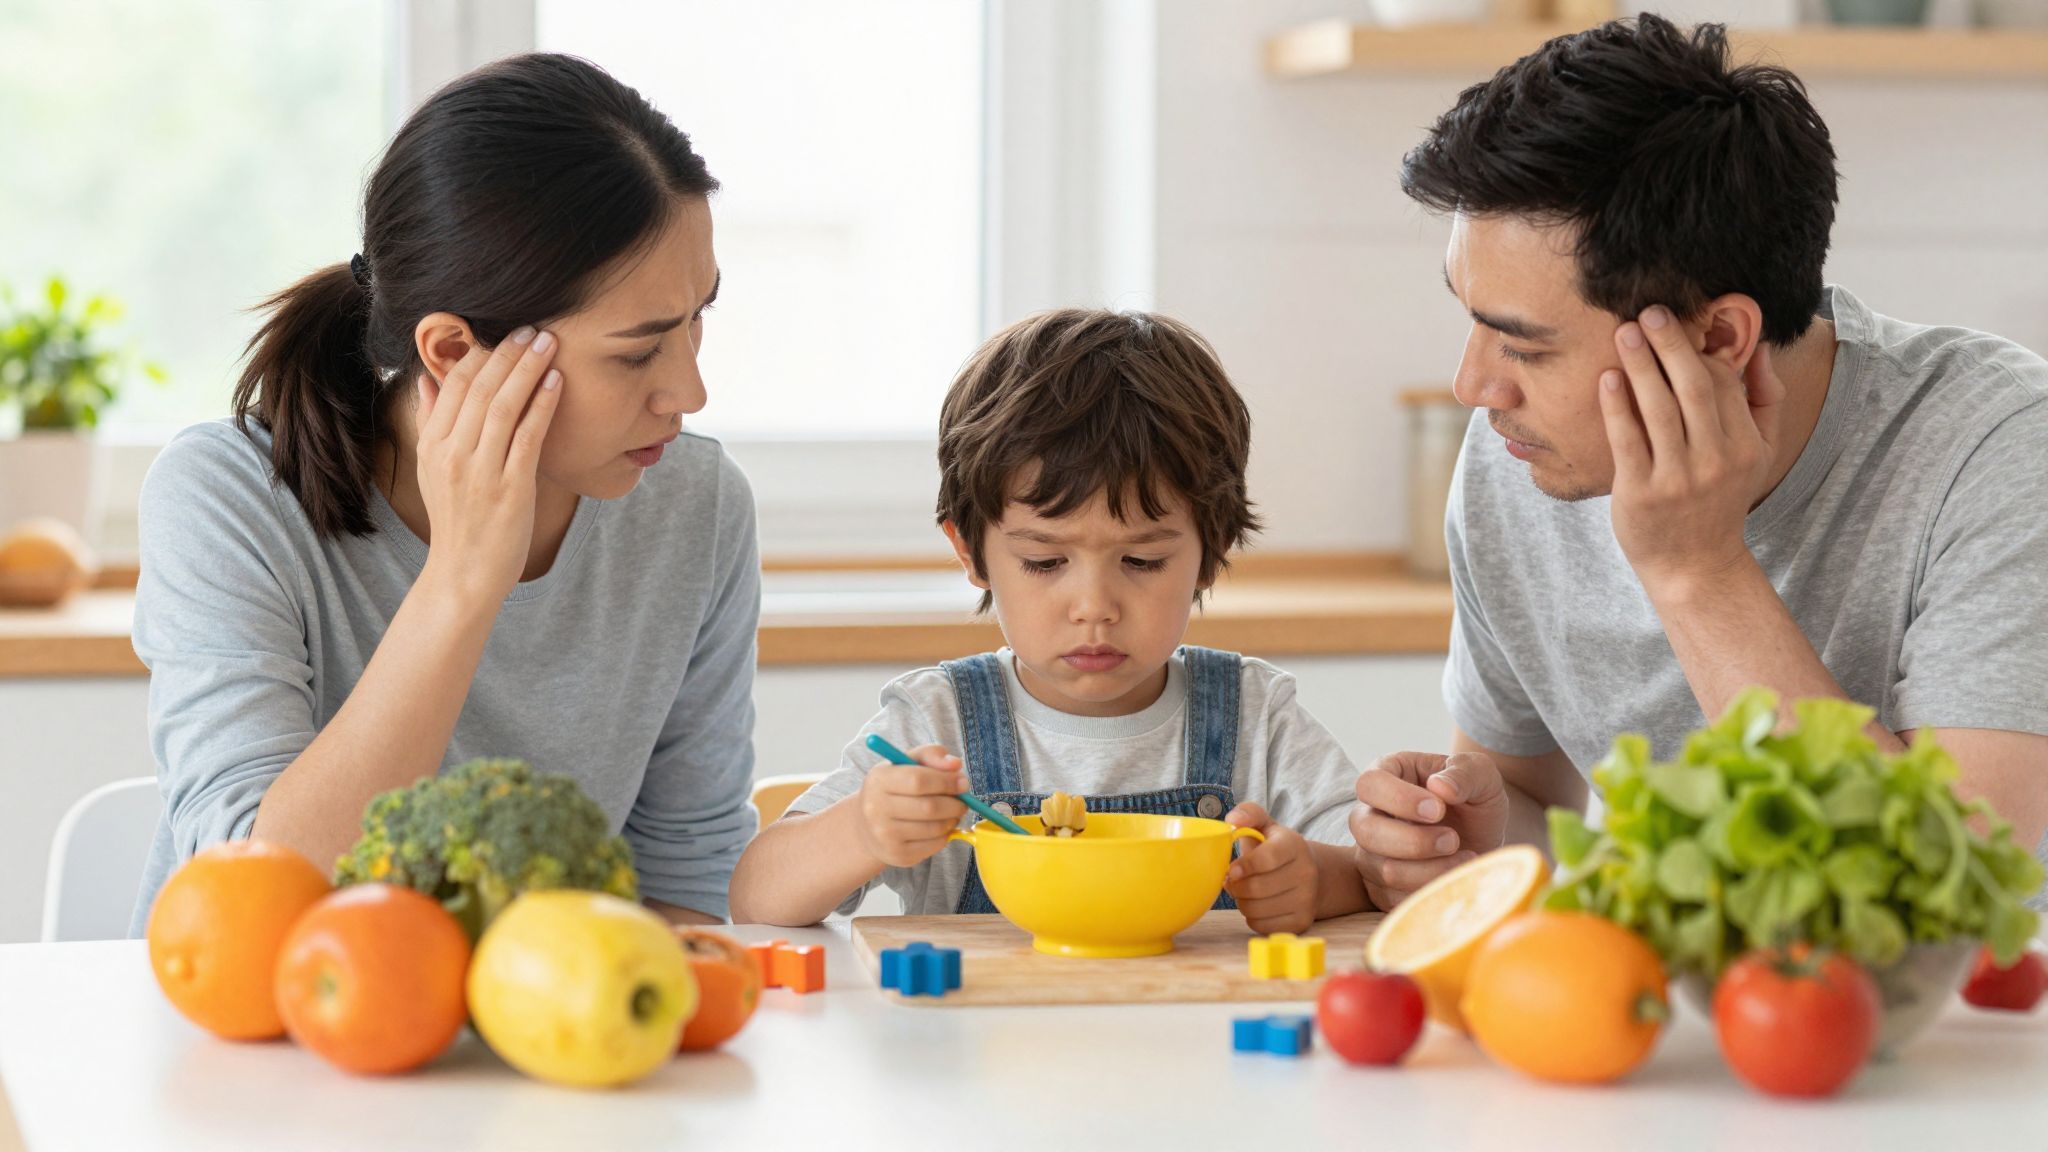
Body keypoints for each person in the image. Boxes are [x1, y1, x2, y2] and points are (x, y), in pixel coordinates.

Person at [1349, 15, 2048, 913]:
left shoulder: (2001, 452)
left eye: (1524, 347)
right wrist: (1478, 838)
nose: (1473, 385)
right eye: (1472, 322)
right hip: (1682, 1025)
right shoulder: (1524, 455)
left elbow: (1937, 888)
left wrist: (1698, 567)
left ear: (1717, 338)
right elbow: (1524, 790)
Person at [129, 53, 757, 932]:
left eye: (700, 319)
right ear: (456, 353)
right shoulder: (225, 500)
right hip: (257, 1042)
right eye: (638, 350)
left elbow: (690, 880)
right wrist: (464, 578)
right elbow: (262, 901)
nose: (689, 394)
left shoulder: (697, 506)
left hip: (538, 1039)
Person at [728, 309, 1371, 932]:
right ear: (970, 551)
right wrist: (862, 830)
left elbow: (1373, 869)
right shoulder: (937, 719)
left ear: (1212, 551)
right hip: (981, 1039)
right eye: (1043, 561)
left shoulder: (1257, 717)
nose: (1094, 605)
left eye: (1143, 560)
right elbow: (756, 898)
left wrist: (1314, 877)